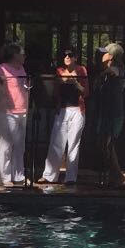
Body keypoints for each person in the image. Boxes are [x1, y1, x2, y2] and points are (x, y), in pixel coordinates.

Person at [40, 45, 87, 185]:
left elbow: (86, 91)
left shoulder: (81, 70)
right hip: (63, 110)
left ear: (75, 57)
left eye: (70, 55)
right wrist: (61, 81)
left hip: (77, 110)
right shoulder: (59, 71)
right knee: (56, 142)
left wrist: (75, 82)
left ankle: (71, 178)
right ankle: (49, 176)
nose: (67, 57)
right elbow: (55, 92)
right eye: (65, 55)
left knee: (73, 144)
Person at [89, 42, 125, 188]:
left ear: (111, 56)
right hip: (106, 111)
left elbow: (112, 72)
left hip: (114, 113)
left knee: (107, 143)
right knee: (104, 143)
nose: (102, 55)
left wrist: (101, 73)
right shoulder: (110, 70)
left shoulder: (116, 69)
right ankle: (115, 175)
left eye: (105, 52)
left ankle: (117, 175)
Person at [0, 42, 30, 187]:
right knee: (6, 146)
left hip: (22, 111)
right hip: (7, 112)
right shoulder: (2, 68)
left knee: (20, 146)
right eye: (22, 53)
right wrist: (1, 91)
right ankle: (5, 177)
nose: (24, 56)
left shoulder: (21, 68)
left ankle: (19, 176)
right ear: (14, 55)